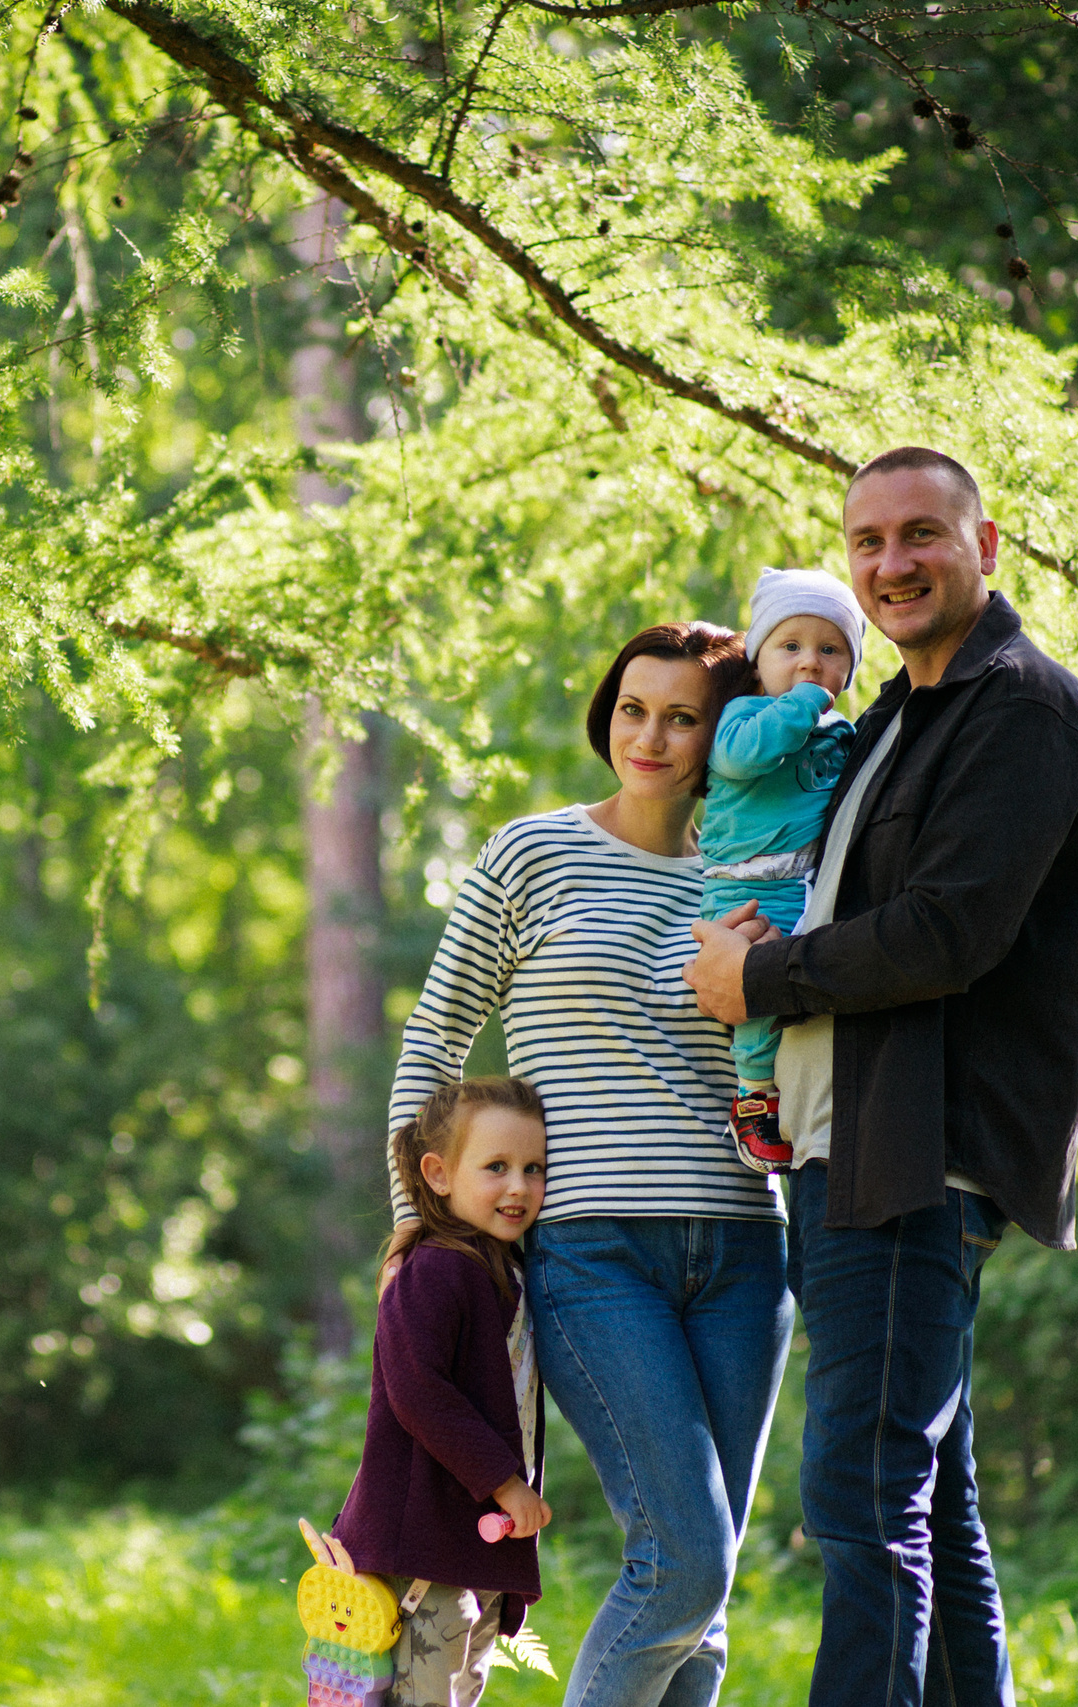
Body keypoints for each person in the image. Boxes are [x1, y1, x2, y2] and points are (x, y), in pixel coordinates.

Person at [683, 446, 1078, 1707]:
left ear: (984, 547)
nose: (890, 564)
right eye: (866, 542)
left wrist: (757, 984)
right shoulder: (895, 714)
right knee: (927, 1500)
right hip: (844, 1148)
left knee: (864, 1500)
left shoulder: (1020, 706)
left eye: (921, 534)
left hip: (912, 1155)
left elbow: (949, 933)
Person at [387, 621, 790, 1707]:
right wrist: (418, 1223)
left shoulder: (754, 870)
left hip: (748, 1249)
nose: (650, 736)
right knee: (684, 1560)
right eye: (631, 708)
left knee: (706, 1593)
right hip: (594, 1253)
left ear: (724, 735)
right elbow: (433, 1043)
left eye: (682, 717)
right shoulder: (531, 852)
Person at [330, 1077, 552, 1707]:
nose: (519, 1186)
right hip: (423, 1545)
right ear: (439, 1173)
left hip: (464, 1545)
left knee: (455, 1689)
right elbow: (419, 1391)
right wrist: (506, 1483)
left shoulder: (499, 1265)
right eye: (497, 1167)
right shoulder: (436, 1269)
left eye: (534, 1168)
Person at [698, 569, 864, 1168]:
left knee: (802, 992)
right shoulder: (743, 718)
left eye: (830, 650)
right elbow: (746, 760)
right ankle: (752, 1099)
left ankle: (792, 1099)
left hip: (805, 885)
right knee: (755, 985)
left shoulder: (840, 733)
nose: (809, 664)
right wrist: (798, 706)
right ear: (758, 656)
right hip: (743, 884)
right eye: (789, 647)